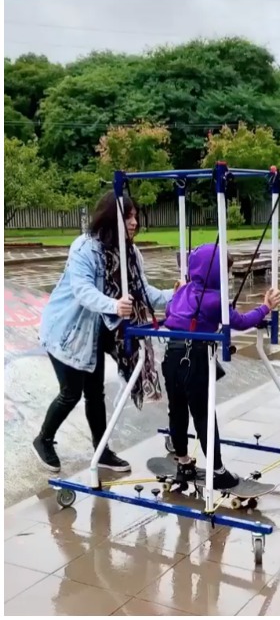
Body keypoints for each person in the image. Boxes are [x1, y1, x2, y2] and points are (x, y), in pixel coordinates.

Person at [35, 191, 174, 473]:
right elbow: (83, 290)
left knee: (95, 394)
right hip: (67, 332)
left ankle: (102, 450)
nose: (134, 222)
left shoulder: (130, 252)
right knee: (71, 392)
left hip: (98, 333)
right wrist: (114, 304)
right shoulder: (85, 248)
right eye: (128, 216)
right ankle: (43, 440)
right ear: (111, 217)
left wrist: (177, 295)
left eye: (135, 216)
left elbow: (142, 291)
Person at [160, 242, 280, 490]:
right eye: (224, 271)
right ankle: (217, 471)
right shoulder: (216, 301)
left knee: (178, 411)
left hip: (171, 357)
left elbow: (171, 312)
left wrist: (179, 294)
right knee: (204, 416)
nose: (226, 277)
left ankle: (183, 463)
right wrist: (266, 307)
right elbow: (241, 321)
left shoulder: (181, 292)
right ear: (215, 273)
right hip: (195, 359)